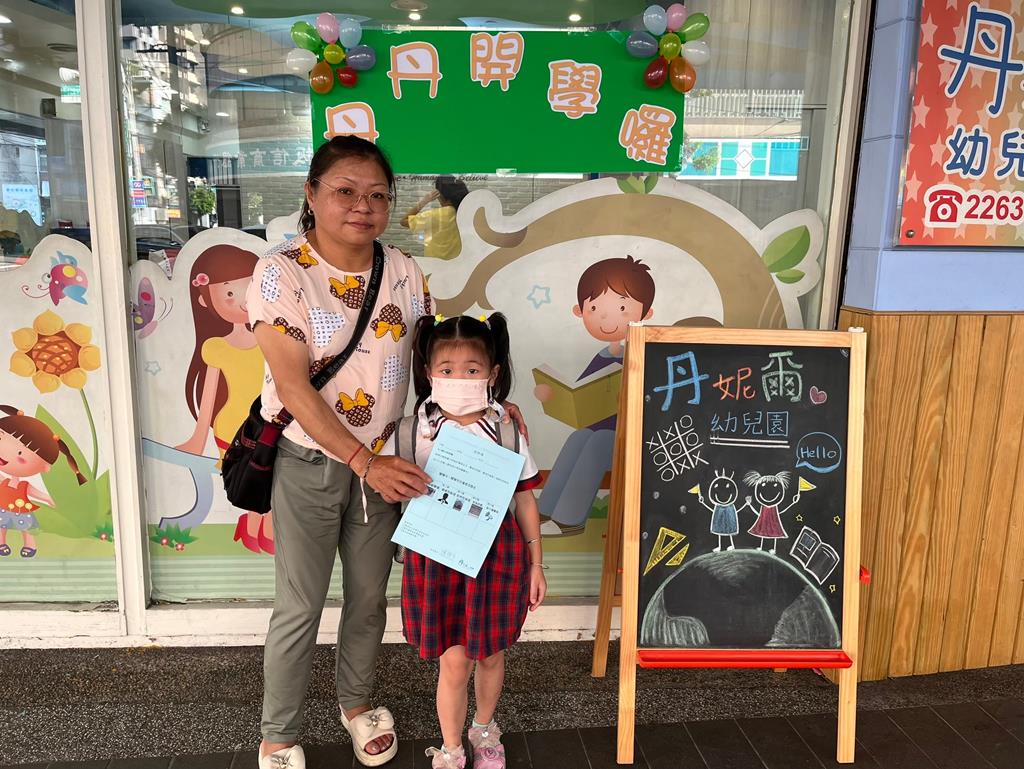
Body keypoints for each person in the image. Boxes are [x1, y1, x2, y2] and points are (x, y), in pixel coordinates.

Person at [247, 136, 525, 769]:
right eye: (345, 191)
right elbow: (292, 386)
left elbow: (436, 371)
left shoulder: (403, 271)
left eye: (377, 195)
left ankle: (356, 704)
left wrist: (490, 406)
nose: (362, 206)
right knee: (300, 604)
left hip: (391, 467)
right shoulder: (282, 272)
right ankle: (278, 734)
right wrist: (362, 461)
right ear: (311, 194)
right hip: (313, 461)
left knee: (369, 598)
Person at [380, 313, 546, 769]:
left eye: (472, 369)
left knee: (490, 654)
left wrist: (536, 563)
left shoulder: (508, 430)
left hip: (497, 558)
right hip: (437, 559)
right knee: (454, 662)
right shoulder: (411, 431)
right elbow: (390, 488)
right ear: (428, 373)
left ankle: (485, 731)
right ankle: (452, 747)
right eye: (447, 370)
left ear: (492, 374)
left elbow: (525, 499)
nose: (458, 379)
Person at [534, 256, 655, 536]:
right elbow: (582, 391)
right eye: (595, 308)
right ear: (581, 311)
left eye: (622, 308)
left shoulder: (644, 353)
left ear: (645, 313)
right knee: (579, 437)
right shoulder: (603, 355)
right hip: (603, 429)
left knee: (598, 441)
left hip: (633, 435)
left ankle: (569, 518)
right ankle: (545, 510)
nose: (606, 318)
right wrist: (550, 394)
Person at [175, 244, 269, 554]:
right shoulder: (216, 347)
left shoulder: (272, 338)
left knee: (272, 479)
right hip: (232, 427)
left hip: (271, 424)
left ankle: (257, 529)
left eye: (249, 289)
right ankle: (253, 527)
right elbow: (209, 397)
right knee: (251, 478)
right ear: (205, 300)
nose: (241, 301)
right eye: (229, 293)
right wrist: (198, 438)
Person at [0, 405, 86, 558]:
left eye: (20, 453)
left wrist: (47, 498)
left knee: (26, 528)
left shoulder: (23, 486)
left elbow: (34, 492)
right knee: (1, 526)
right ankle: (2, 543)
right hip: (3, 508)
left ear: (44, 467)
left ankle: (30, 545)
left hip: (22, 510)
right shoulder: (4, 481)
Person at [400, 175, 469, 259]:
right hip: (460, 264)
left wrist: (424, 201)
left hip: (433, 264)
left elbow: (403, 221)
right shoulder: (466, 214)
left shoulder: (433, 216)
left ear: (441, 195)